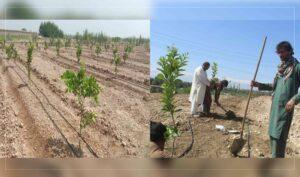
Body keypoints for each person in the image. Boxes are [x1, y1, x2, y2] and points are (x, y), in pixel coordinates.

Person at [251, 41, 299, 158]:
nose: (280, 55)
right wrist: (259, 84)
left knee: (279, 138)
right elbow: (274, 86)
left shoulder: (296, 67)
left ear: (289, 51)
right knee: (273, 136)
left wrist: (294, 100)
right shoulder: (281, 70)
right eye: (278, 53)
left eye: (282, 52)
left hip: (285, 110)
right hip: (275, 109)